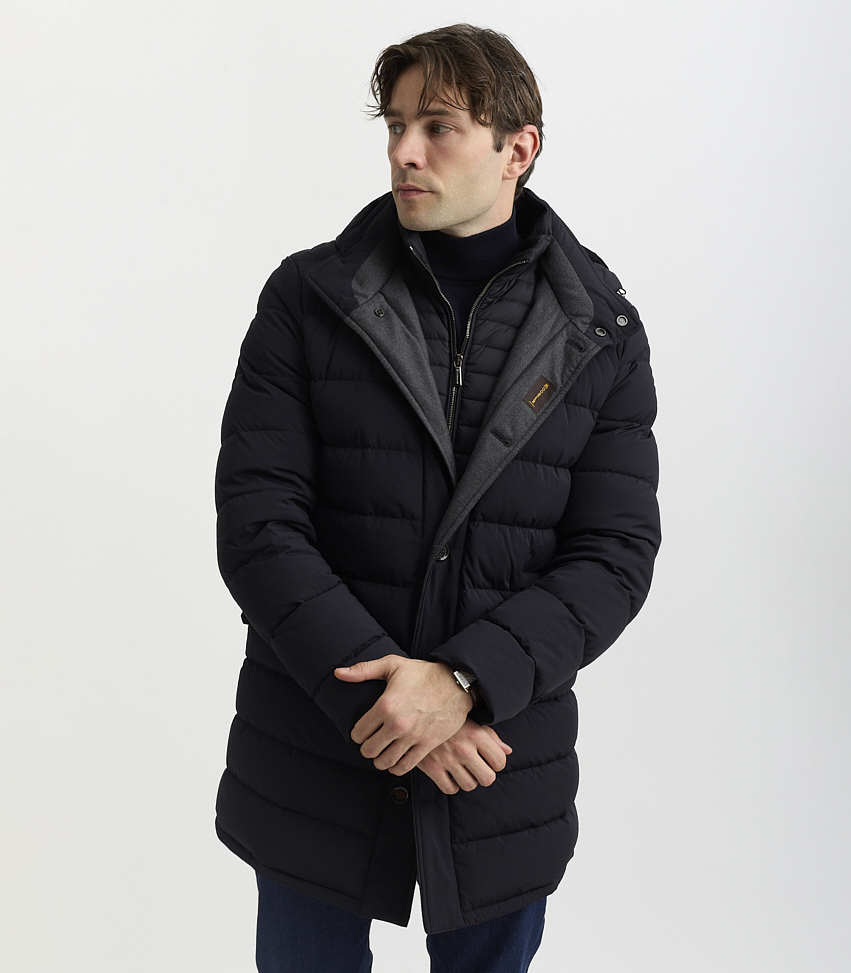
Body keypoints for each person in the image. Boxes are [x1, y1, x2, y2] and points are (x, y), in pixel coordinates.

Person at [215, 23, 661, 973]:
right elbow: (259, 527)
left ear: (517, 148)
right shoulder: (307, 299)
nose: (404, 152)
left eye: (438, 127)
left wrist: (460, 686)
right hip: (316, 751)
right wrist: (394, 704)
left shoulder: (602, 329)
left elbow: (614, 555)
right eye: (395, 125)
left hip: (494, 759)